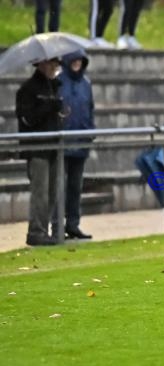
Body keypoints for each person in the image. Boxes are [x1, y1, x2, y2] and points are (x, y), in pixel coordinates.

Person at [16, 58, 63, 246]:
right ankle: (36, 231)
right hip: (37, 148)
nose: (54, 68)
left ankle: (44, 229)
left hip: (53, 146)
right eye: (51, 65)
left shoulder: (54, 87)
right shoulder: (28, 89)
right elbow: (28, 118)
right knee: (40, 193)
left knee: (52, 192)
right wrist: (49, 107)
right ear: (41, 65)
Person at [52, 50, 95, 239]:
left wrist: (90, 130)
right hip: (62, 142)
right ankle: (57, 226)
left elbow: (90, 108)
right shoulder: (58, 82)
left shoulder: (86, 84)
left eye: (80, 60)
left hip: (81, 142)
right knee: (59, 187)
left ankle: (73, 224)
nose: (77, 63)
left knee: (75, 187)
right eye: (74, 60)